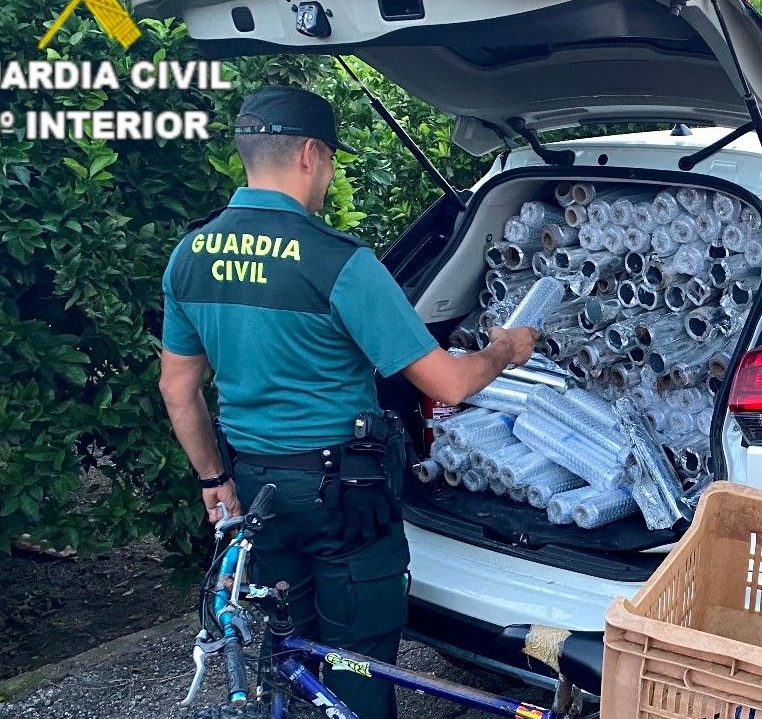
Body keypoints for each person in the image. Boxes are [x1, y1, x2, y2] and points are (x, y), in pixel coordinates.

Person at [157, 85, 536, 719]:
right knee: (356, 658)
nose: (329, 174)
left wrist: (213, 479)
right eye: (331, 160)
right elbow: (449, 384)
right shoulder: (338, 261)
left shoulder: (189, 256)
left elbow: (177, 387)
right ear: (311, 154)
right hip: (344, 496)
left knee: (287, 645)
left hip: (257, 487)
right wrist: (505, 349)